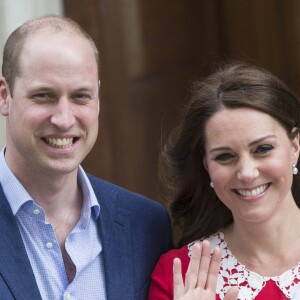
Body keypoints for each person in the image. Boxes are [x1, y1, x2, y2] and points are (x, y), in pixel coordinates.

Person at [0, 15, 172, 300]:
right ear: (5, 96)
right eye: (44, 96)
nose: (64, 119)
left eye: (81, 96)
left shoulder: (147, 225)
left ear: (98, 98)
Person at [148, 62, 300, 300]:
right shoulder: (178, 274)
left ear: (294, 147)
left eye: (263, 148)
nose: (247, 173)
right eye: (225, 156)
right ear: (206, 165)